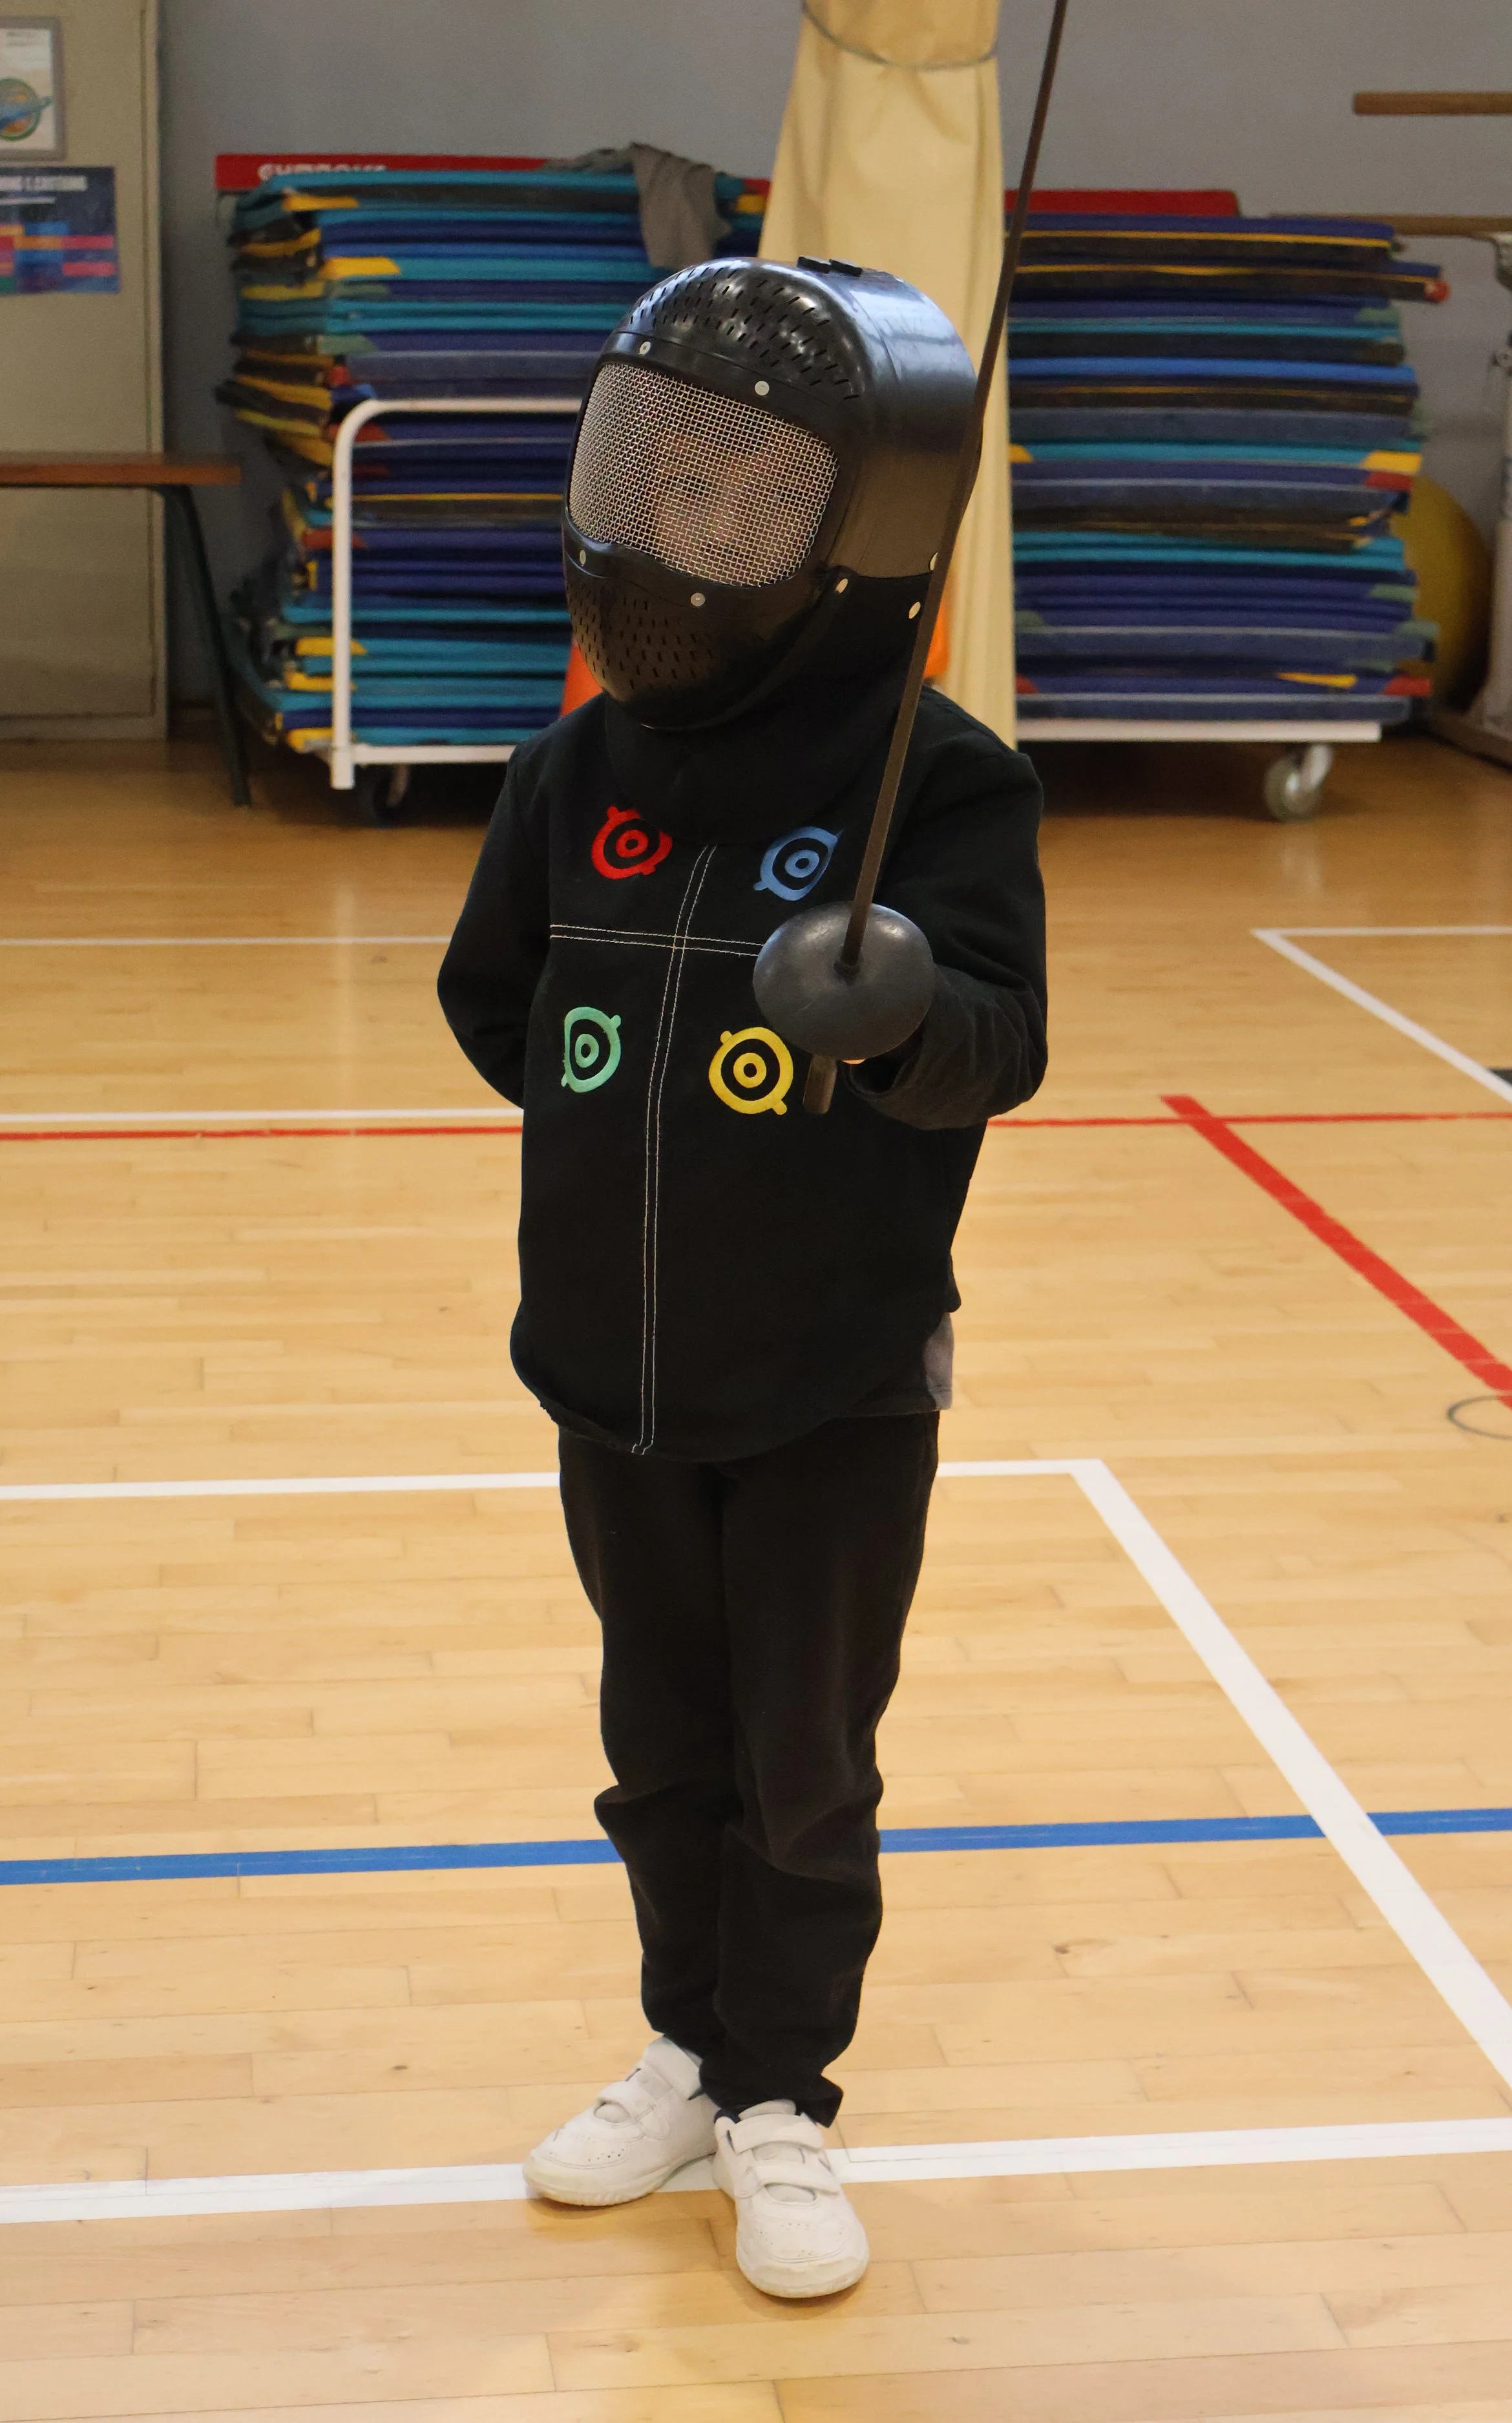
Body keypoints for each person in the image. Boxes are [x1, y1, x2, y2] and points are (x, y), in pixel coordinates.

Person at [439, 255, 1046, 2300]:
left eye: (740, 492)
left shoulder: (936, 778)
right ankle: (687, 2051)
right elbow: (498, 1006)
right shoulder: (578, 769)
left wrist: (901, 1016)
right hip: (607, 1375)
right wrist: (633, 1142)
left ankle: (783, 2092)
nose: (679, 529)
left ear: (856, 534)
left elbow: (1000, 1046)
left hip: (829, 1386)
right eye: (660, 474)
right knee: (661, 1745)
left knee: (800, 1762)